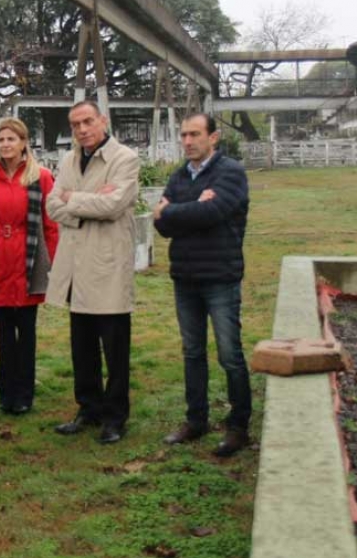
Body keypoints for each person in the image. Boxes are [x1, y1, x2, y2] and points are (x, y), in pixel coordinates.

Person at [153, 113, 252, 457]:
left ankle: (239, 426)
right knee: (192, 352)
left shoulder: (231, 173)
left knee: (230, 355)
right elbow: (161, 226)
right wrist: (193, 207)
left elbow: (214, 213)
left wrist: (174, 211)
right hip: (185, 278)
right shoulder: (179, 175)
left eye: (195, 134)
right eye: (183, 135)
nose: (187, 141)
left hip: (220, 278)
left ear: (213, 137)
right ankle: (196, 421)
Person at [47, 100, 140, 445]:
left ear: (103, 120)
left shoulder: (124, 159)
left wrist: (74, 199)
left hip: (107, 266)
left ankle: (115, 417)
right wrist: (85, 203)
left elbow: (114, 205)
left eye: (87, 121)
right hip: (76, 268)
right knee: (82, 346)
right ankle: (88, 408)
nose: (82, 129)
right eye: (75, 125)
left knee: (114, 350)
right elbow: (52, 205)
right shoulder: (69, 160)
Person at [0, 118, 58, 415]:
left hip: (28, 260)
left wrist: (52, 263)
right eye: (1, 140)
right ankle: (6, 393)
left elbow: (51, 225)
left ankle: (25, 393)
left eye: (11, 139)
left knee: (27, 331)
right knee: (4, 333)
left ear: (23, 142)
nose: (5, 144)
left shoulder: (40, 177)